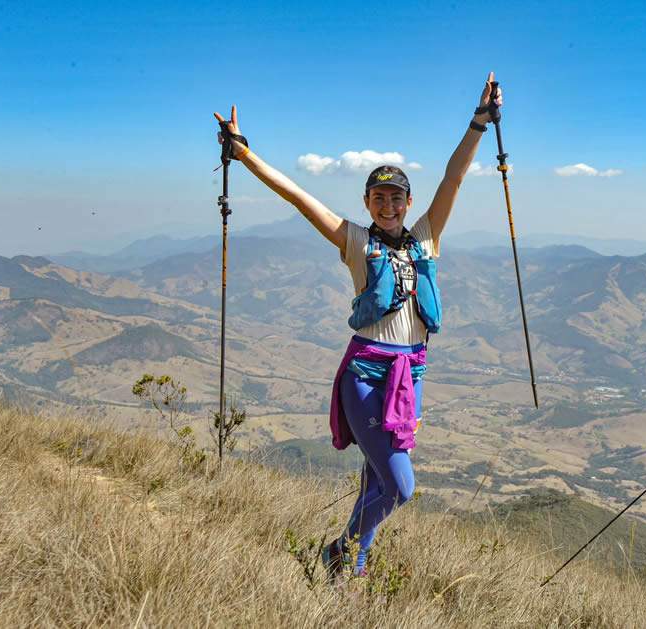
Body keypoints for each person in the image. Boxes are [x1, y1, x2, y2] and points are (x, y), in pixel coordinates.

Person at [213, 72, 503, 580]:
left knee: (375, 481)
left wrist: (479, 123)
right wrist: (246, 156)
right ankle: (339, 551)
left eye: (397, 198)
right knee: (399, 488)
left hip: (411, 375)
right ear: (367, 203)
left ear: (408, 204)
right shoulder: (353, 241)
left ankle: (350, 570)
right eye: (378, 197)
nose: (388, 205)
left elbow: (453, 178)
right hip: (367, 374)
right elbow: (300, 199)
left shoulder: (426, 237)